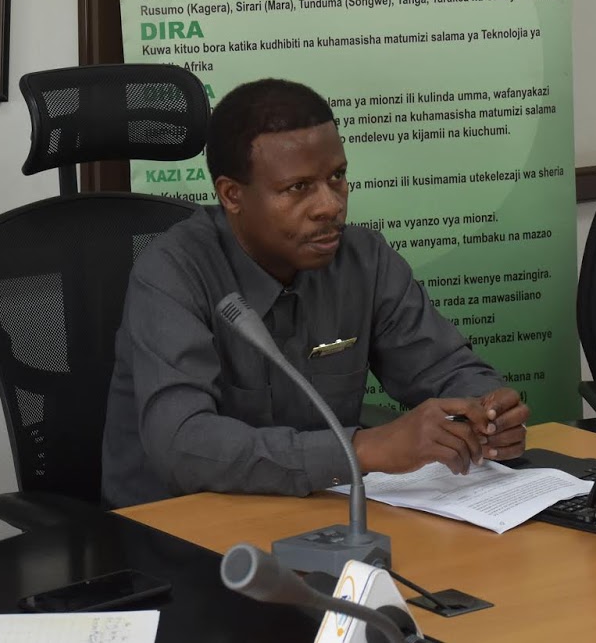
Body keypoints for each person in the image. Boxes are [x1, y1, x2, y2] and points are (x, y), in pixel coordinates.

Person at [101, 79, 528, 509]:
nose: (331, 205)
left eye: (337, 177)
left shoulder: (365, 260)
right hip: (176, 526)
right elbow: (183, 444)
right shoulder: (172, 272)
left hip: (321, 512)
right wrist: (364, 449)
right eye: (298, 187)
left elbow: (446, 368)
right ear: (232, 195)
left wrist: (486, 413)